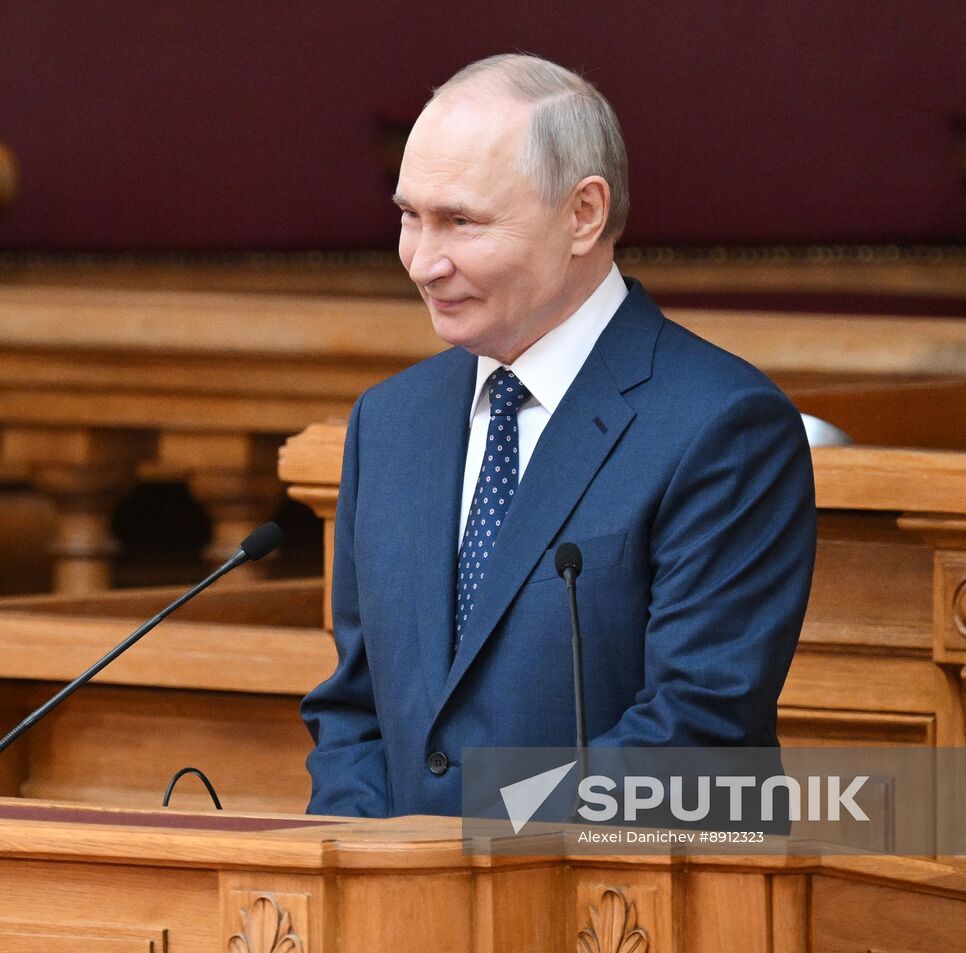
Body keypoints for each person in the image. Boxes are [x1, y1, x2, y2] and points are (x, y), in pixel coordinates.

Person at [301, 54, 816, 818]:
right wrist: (364, 868)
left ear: (583, 214)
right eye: (410, 216)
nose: (423, 262)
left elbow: (694, 732)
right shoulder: (390, 422)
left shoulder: (722, 427)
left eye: (461, 221)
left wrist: (461, 851)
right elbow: (356, 712)